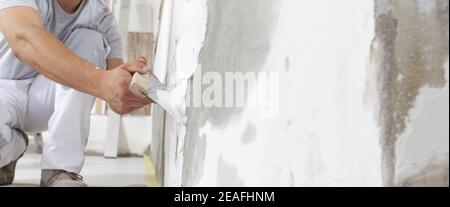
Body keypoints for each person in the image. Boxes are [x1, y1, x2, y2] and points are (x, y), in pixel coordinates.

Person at [0, 0, 152, 187]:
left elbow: (115, 89)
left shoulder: (101, 18)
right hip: (3, 89)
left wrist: (134, 87)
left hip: (44, 98)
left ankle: (60, 169)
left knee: (91, 39)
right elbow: (23, 39)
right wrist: (101, 81)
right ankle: (12, 146)